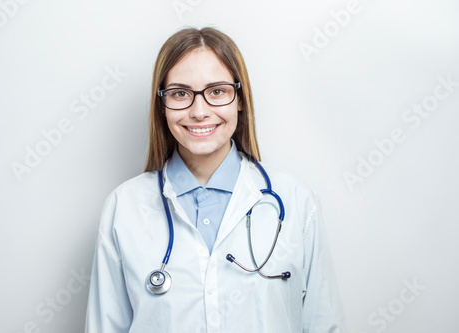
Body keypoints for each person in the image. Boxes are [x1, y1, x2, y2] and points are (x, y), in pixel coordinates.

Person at [85, 26, 344, 333]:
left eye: (217, 91)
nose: (199, 111)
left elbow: (322, 324)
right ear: (162, 105)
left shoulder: (296, 201)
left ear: (240, 99)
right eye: (180, 93)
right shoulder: (124, 207)